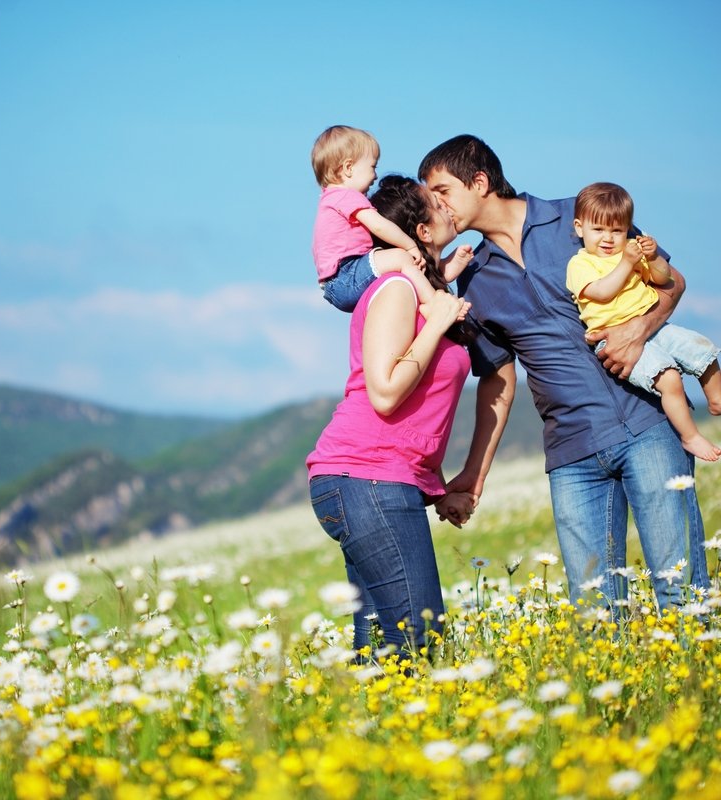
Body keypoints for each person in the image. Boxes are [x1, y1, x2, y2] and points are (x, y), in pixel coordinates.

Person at [418, 134, 710, 610]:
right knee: (594, 613)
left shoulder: (581, 217)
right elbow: (497, 379)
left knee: (681, 593)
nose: (435, 206)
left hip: (648, 426)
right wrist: (474, 474)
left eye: (442, 191)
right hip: (572, 456)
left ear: (480, 181)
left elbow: (671, 281)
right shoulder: (473, 280)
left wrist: (638, 331)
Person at [307, 175, 473, 657]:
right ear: (420, 230)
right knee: (420, 640)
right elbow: (384, 393)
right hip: (364, 478)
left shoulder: (425, 293)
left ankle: (369, 730)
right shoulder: (398, 287)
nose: (447, 208)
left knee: (382, 646)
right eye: (437, 203)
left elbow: (423, 408)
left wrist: (437, 483)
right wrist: (438, 323)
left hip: (379, 478)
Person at [567, 182, 721, 461]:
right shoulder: (581, 264)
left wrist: (654, 257)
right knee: (669, 378)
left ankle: (716, 396)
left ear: (627, 228)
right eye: (598, 229)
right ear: (580, 228)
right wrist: (627, 263)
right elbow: (601, 291)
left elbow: (663, 279)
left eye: (617, 230)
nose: (608, 238)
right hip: (613, 338)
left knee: (702, 348)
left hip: (651, 324)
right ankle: (691, 437)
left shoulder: (630, 251)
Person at [311, 125, 472, 313]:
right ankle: (434, 304)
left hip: (338, 283)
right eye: (372, 166)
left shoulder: (329, 199)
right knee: (401, 257)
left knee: (404, 267)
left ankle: (440, 274)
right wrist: (410, 246)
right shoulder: (346, 196)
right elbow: (379, 226)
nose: (375, 175)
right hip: (346, 275)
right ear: (348, 168)